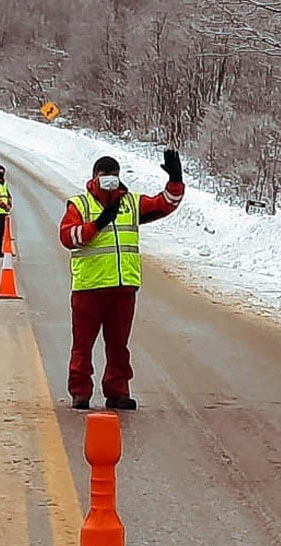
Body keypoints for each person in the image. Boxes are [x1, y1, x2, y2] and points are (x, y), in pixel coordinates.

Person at [58, 151, 184, 410]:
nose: (110, 181)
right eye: (106, 176)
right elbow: (68, 237)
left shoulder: (131, 204)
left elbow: (164, 204)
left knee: (119, 345)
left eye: (114, 176)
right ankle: (80, 392)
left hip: (123, 288)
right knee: (83, 345)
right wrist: (98, 224)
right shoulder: (80, 205)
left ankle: (117, 391)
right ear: (95, 177)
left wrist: (175, 179)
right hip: (89, 289)